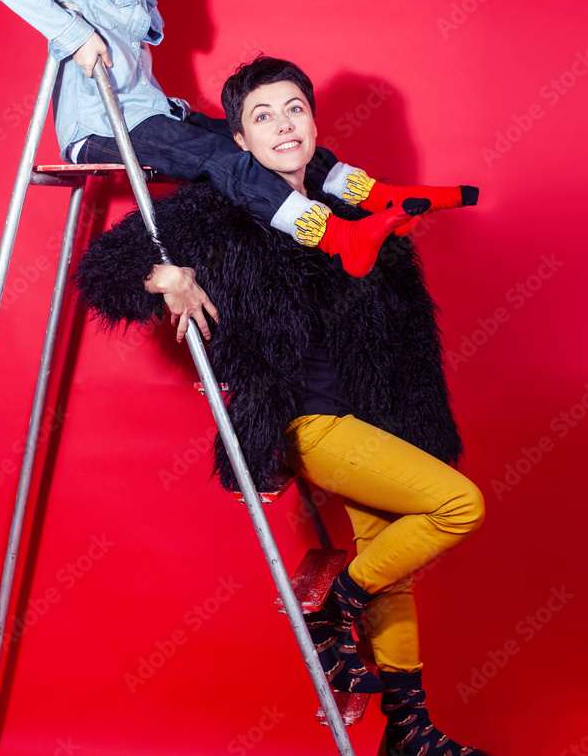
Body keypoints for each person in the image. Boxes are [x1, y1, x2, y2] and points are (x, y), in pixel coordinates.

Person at [74, 56, 488, 756]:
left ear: (313, 120)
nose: (283, 125)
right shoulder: (217, 207)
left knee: (393, 562)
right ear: (239, 140)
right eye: (262, 117)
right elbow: (103, 270)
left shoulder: (348, 204)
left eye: (293, 108)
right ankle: (335, 609)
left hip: (376, 416)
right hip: (306, 418)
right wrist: (167, 276)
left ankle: (408, 729)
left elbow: (394, 324)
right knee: (457, 505)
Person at [0, 0, 476, 278]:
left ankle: (376, 196)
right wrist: (74, 36)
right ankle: (334, 236)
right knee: (223, 157)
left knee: (268, 138)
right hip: (103, 128)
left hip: (152, 114)